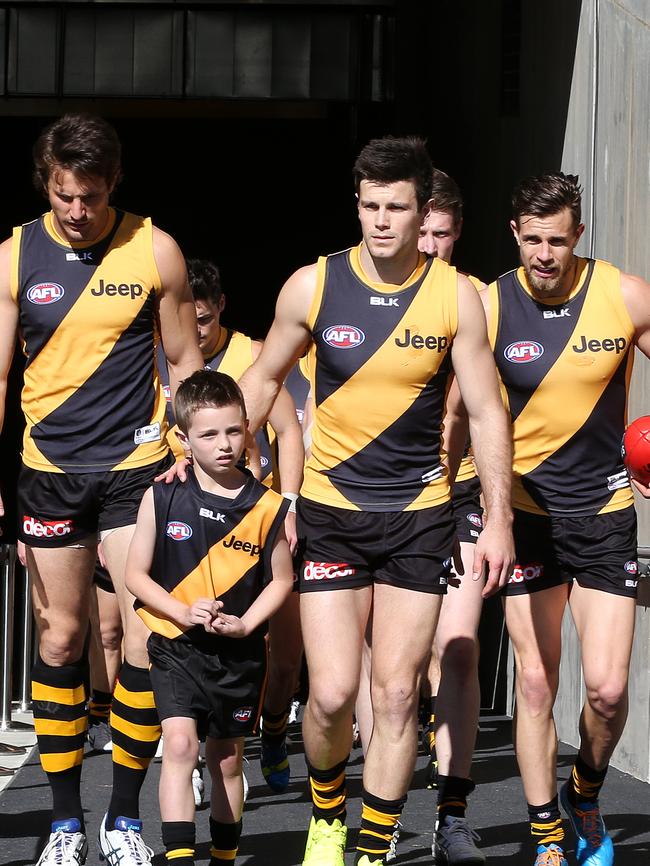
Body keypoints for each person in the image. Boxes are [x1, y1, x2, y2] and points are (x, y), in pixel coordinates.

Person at [238, 135, 514, 866]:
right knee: (330, 695)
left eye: (397, 207)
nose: (382, 221)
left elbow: (486, 412)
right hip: (331, 513)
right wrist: (209, 464)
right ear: (355, 205)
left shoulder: (455, 297)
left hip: (420, 517)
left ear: (423, 209)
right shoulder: (312, 286)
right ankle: (328, 811)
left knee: (395, 697)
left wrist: (499, 520)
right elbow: (262, 380)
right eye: (370, 206)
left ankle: (373, 846)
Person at [0, 113, 203, 866]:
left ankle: (123, 819)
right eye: (62, 196)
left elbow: (183, 360)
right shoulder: (16, 254)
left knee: (148, 639)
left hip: (137, 470)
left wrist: (189, 452)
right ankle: (62, 824)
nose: (76, 212)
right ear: (45, 185)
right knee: (61, 638)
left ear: (113, 183)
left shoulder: (155, 250)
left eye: (88, 196)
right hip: (50, 471)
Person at [487, 171, 650, 866]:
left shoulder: (622, 294)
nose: (545, 255)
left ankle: (584, 793)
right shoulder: (488, 305)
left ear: (578, 236)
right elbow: (454, 412)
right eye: (533, 241)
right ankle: (547, 832)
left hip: (605, 514)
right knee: (535, 681)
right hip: (525, 516)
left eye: (557, 241)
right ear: (515, 235)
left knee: (608, 691)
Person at [125, 369, 294, 866]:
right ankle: (179, 856)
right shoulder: (162, 494)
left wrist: (246, 624)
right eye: (209, 434)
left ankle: (223, 857)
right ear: (182, 439)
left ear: (248, 428)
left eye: (234, 431)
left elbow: (281, 580)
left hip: (238, 654)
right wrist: (180, 610)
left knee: (225, 759)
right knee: (178, 744)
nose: (225, 445)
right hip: (175, 645)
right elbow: (135, 574)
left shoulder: (267, 507)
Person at [158, 257, 304, 794]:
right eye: (184, 319)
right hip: (198, 525)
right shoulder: (165, 360)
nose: (194, 330)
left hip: (260, 518)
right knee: (203, 638)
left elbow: (288, 432)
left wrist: (287, 504)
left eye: (202, 318)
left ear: (219, 308)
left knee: (283, 654)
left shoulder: (254, 358)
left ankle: (272, 728)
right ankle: (201, 758)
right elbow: (162, 437)